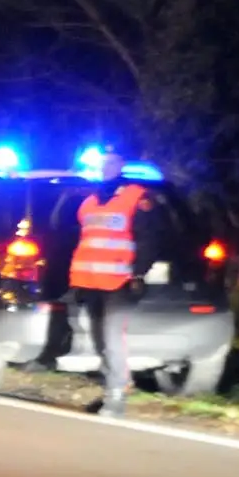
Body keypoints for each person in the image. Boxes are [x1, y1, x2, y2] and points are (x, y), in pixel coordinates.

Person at [66, 148, 154, 419]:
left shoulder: (136, 196)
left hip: (120, 281)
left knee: (113, 338)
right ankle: (110, 389)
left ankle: (116, 396)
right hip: (90, 282)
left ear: (121, 164)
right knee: (99, 339)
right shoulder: (90, 199)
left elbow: (150, 237)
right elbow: (76, 234)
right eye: (102, 163)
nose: (105, 167)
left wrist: (139, 273)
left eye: (111, 162)